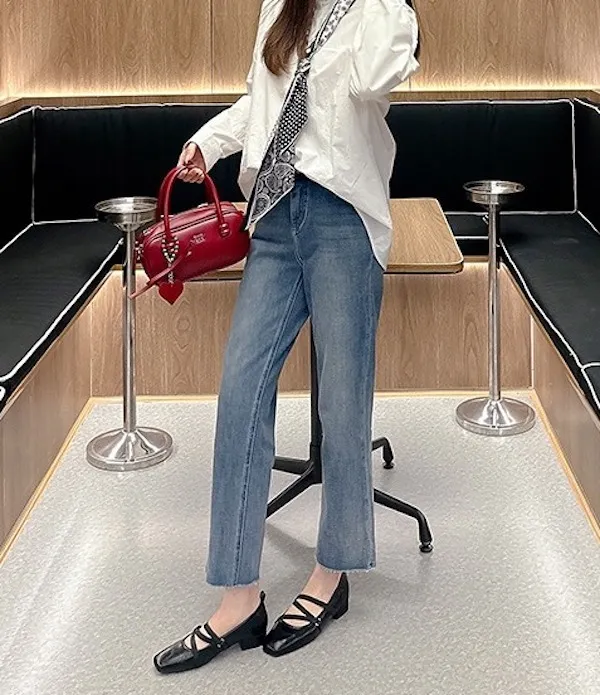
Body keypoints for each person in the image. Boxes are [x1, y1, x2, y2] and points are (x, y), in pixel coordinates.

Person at [154, 0, 420, 674]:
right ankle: (239, 596)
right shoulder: (280, 4)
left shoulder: (386, 13)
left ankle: (332, 574)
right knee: (240, 393)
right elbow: (262, 102)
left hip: (342, 218)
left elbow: (373, 80)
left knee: (343, 406)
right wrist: (210, 142)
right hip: (273, 215)